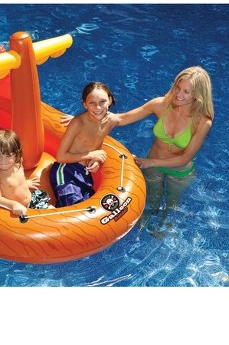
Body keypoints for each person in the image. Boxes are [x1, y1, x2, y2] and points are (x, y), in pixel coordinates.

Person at [61, 66, 214, 233]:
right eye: (178, 87)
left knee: (171, 206)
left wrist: (150, 162)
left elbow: (185, 158)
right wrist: (85, 120)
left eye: (186, 91)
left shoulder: (202, 122)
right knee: (152, 202)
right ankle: (144, 230)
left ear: (198, 95)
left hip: (178, 172)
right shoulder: (161, 104)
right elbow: (121, 118)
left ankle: (163, 231)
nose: (178, 94)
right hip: (152, 166)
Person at [50, 82, 116, 207]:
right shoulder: (78, 123)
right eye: (92, 103)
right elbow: (60, 157)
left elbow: (98, 149)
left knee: (88, 206)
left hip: (84, 174)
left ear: (110, 100)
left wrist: (97, 161)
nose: (98, 107)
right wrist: (90, 155)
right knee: (73, 207)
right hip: (66, 171)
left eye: (102, 102)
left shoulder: (105, 122)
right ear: (85, 104)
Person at [0, 130, 53, 217]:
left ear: (16, 154)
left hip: (32, 200)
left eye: (8, 156)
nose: (3, 160)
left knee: (53, 211)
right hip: (18, 209)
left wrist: (25, 183)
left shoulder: (18, 163)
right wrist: (14, 204)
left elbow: (18, 179)